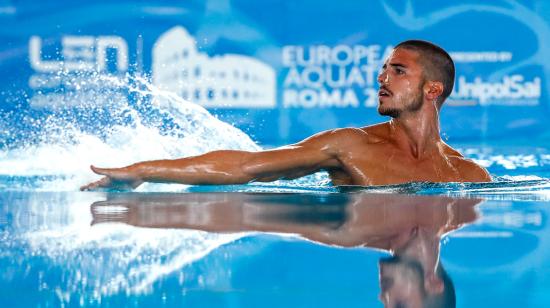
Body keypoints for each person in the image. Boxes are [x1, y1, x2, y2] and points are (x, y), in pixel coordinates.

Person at [81, 40, 491, 191]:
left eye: (398, 71)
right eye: (383, 68)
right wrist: (142, 170)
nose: (382, 77)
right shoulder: (350, 145)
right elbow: (247, 167)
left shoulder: (471, 177)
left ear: (432, 89)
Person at [91, 192, 481, 307]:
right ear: (432, 284)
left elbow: (248, 213)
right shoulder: (465, 206)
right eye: (397, 305)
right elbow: (247, 180)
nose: (382, 296)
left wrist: (141, 211)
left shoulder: (348, 231)